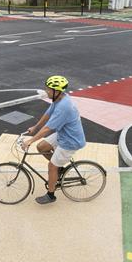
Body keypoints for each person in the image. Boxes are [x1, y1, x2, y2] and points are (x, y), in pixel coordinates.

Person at [23, 75, 86, 205]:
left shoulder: (64, 107)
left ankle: (51, 195)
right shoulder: (59, 99)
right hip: (63, 134)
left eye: (48, 89)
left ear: (56, 91)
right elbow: (47, 114)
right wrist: (35, 127)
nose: (46, 91)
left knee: (51, 166)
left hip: (70, 141)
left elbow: (47, 129)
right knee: (41, 147)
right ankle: (59, 170)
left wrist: (30, 140)